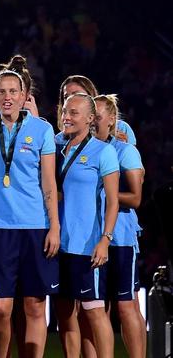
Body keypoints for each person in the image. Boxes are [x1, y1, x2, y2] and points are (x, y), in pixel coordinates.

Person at [0, 63, 60, 357]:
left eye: (13, 91)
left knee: (34, 305)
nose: (7, 96)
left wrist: (54, 227)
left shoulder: (42, 128)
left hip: (35, 226)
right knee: (1, 306)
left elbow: (49, 182)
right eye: (2, 91)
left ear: (24, 96)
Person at [55, 93, 118, 358]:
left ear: (90, 118)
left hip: (86, 245)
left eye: (74, 113)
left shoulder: (103, 151)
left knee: (94, 312)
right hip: (58, 245)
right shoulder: (55, 145)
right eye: (65, 111)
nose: (67, 117)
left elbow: (113, 202)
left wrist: (105, 238)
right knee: (65, 314)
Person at [94, 94, 146, 358]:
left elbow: (136, 197)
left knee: (126, 305)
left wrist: (103, 190)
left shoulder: (125, 150)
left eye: (99, 116)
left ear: (112, 119)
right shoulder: (84, 148)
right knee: (96, 308)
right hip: (91, 238)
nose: (93, 120)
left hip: (121, 238)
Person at [56, 75, 136, 145]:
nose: (71, 100)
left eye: (76, 94)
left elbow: (131, 158)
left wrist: (121, 147)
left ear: (91, 96)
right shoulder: (59, 140)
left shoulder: (121, 128)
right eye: (66, 97)